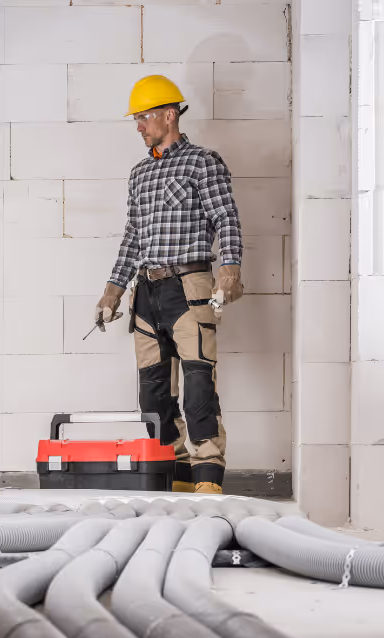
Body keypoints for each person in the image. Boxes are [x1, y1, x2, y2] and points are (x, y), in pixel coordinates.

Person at [94, 75, 245, 495]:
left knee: (198, 383)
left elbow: (225, 219)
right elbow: (132, 237)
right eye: (137, 119)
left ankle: (207, 476)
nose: (138, 125)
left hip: (188, 286)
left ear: (168, 115)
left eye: (143, 117)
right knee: (153, 392)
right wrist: (114, 289)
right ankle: (175, 471)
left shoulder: (203, 162)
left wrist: (230, 267)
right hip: (147, 293)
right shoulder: (139, 174)